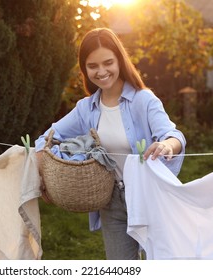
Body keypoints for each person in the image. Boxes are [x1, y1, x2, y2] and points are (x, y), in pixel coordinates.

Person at [34, 27, 186, 260]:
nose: (101, 71)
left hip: (150, 197)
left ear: (120, 61)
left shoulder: (143, 99)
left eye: (108, 62)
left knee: (161, 264)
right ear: (85, 68)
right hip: (112, 202)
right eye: (92, 66)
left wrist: (167, 145)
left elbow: (174, 136)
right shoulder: (86, 108)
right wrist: (43, 170)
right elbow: (46, 138)